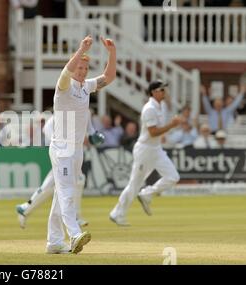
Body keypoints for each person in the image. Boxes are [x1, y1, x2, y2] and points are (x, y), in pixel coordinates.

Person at [47, 35, 116, 254]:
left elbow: (109, 77)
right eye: (80, 67)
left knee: (61, 195)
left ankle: (54, 242)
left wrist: (112, 53)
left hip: (77, 149)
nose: (83, 71)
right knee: (67, 192)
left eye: (86, 68)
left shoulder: (86, 86)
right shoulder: (64, 86)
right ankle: (74, 233)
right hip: (62, 148)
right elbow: (66, 72)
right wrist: (80, 50)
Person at [109, 80, 182, 226]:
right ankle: (117, 213)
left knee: (173, 177)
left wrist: (166, 130)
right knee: (134, 184)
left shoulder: (159, 107)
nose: (164, 92)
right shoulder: (149, 108)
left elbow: (157, 131)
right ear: (153, 92)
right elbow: (153, 132)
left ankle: (147, 194)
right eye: (162, 90)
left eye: (164, 90)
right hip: (145, 150)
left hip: (156, 149)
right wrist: (171, 126)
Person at [16, 113, 105, 229]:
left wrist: (94, 137)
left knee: (52, 184)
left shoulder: (85, 111)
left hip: (73, 153)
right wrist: (61, 143)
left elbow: (90, 131)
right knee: (77, 179)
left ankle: (25, 208)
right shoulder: (63, 111)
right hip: (61, 152)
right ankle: (75, 217)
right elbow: (47, 129)